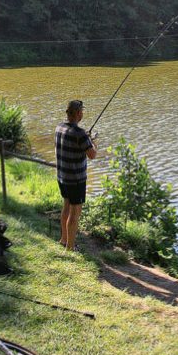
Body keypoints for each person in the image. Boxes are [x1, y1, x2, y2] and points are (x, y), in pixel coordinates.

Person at [55, 99, 97, 251]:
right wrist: (92, 142)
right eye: (82, 111)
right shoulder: (80, 134)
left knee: (66, 206)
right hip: (76, 180)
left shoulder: (59, 127)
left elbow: (73, 144)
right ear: (79, 113)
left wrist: (87, 139)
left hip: (62, 177)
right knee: (75, 212)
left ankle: (63, 240)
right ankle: (70, 248)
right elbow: (92, 154)